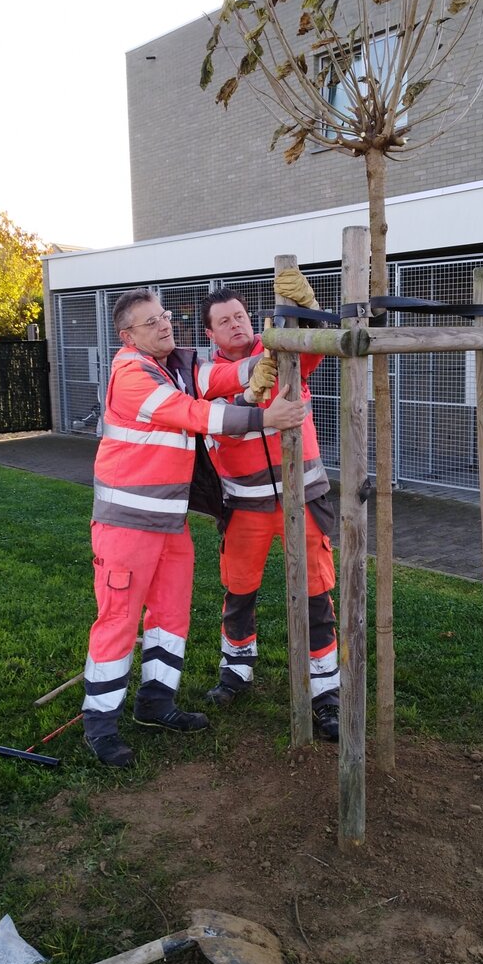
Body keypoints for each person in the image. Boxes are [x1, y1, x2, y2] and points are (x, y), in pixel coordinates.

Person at [82, 287, 307, 768]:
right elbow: (194, 414)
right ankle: (100, 725)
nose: (164, 324)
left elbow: (219, 374)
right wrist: (263, 414)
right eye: (150, 322)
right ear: (128, 337)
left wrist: (266, 353)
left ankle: (155, 704)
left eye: (163, 315)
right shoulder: (132, 373)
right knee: (118, 621)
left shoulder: (176, 367)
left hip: (169, 523)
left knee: (169, 617)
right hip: (127, 527)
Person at [200, 269, 341, 741]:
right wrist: (250, 398)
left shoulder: (282, 355)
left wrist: (306, 314)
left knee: (317, 596)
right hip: (245, 509)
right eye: (225, 321)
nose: (236, 325)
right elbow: (219, 418)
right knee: (239, 594)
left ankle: (326, 695)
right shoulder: (206, 378)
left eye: (240, 316)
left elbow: (319, 344)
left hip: (305, 500)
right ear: (210, 333)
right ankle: (236, 672)